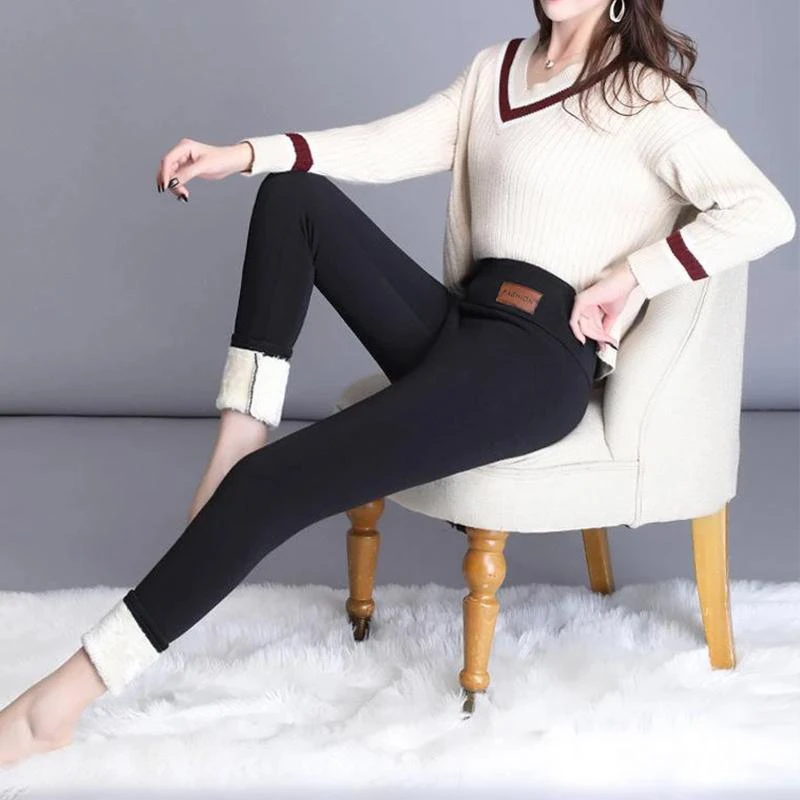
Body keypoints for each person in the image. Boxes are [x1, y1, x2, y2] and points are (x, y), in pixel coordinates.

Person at [0, 0, 795, 767]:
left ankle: (53, 709)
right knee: (294, 197)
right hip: (461, 323)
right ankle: (242, 428)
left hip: (533, 363)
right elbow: (385, 144)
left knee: (271, 487)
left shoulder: (645, 97)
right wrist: (242, 153)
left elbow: (766, 212)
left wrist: (633, 275)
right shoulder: (497, 70)